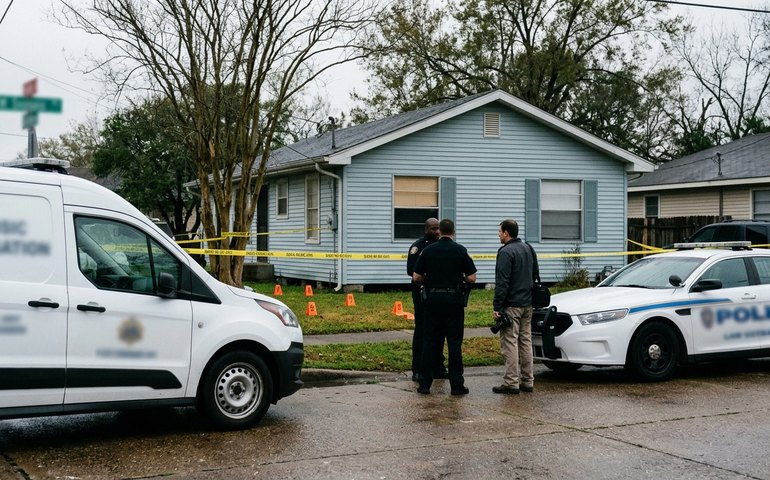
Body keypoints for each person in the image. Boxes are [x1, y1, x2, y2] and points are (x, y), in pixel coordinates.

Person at [412, 219, 477, 395]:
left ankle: (424, 384)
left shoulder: (428, 251)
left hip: (432, 301)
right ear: (453, 232)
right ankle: (457, 385)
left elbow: (416, 276)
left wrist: (431, 280)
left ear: (439, 232)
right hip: (454, 301)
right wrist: (458, 279)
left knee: (429, 341)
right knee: (454, 343)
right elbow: (472, 277)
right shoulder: (460, 250)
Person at [492, 219, 538, 394]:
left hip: (512, 305)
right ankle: (528, 380)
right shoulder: (528, 248)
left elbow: (502, 281)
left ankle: (511, 382)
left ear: (506, 233)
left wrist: (498, 306)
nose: (498, 234)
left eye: (499, 231)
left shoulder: (506, 252)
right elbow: (535, 274)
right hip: (528, 303)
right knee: (525, 341)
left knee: (510, 342)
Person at [406, 218, 447, 381]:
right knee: (422, 330)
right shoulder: (418, 247)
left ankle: (438, 366)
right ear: (426, 230)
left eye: (438, 228)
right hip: (422, 294)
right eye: (433, 229)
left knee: (439, 330)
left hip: (438, 295)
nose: (436, 231)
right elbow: (411, 270)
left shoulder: (443, 245)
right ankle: (417, 368)